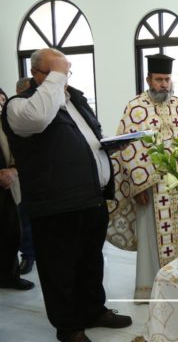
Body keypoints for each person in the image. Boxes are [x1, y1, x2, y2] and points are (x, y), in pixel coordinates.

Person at [1, 48, 131, 342]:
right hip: (56, 204)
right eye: (54, 71)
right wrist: (57, 77)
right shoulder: (19, 106)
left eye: (65, 71)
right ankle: (69, 326)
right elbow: (38, 119)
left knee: (90, 262)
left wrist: (106, 147)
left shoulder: (75, 101)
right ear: (36, 74)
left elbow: (85, 140)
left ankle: (93, 311)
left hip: (91, 196)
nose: (62, 78)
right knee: (60, 268)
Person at [108, 53, 178, 301]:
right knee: (151, 239)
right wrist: (137, 186)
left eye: (167, 79)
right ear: (148, 79)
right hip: (150, 187)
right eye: (159, 80)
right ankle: (150, 289)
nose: (164, 85)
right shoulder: (135, 107)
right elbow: (127, 148)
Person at [0, 87, 34, 291]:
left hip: (8, 186)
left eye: (2, 100)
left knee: (11, 231)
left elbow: (19, 150)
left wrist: (13, 169)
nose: (0, 104)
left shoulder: (6, 124)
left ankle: (9, 276)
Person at [14, 77, 35, 274]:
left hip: (40, 176)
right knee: (23, 218)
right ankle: (28, 255)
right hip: (18, 176)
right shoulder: (15, 114)